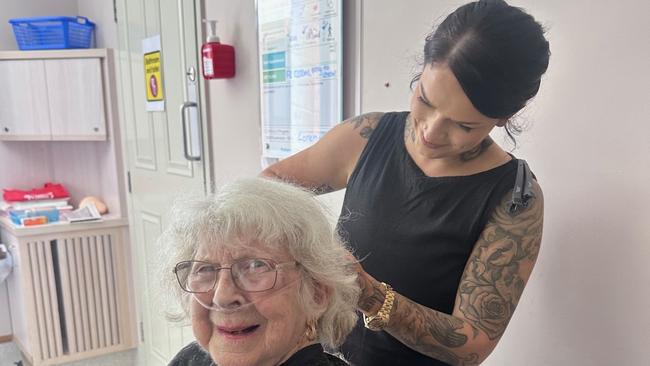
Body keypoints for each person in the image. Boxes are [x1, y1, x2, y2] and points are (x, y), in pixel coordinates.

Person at [260, 0, 550, 364]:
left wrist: (373, 297)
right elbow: (270, 187)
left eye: (464, 125)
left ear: (505, 116)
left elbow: (472, 344)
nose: (431, 131)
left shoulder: (514, 199)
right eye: (425, 100)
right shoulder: (366, 135)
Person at [161, 178, 361, 366]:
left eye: (256, 266)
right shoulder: (192, 359)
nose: (223, 297)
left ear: (316, 294)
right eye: (204, 269)